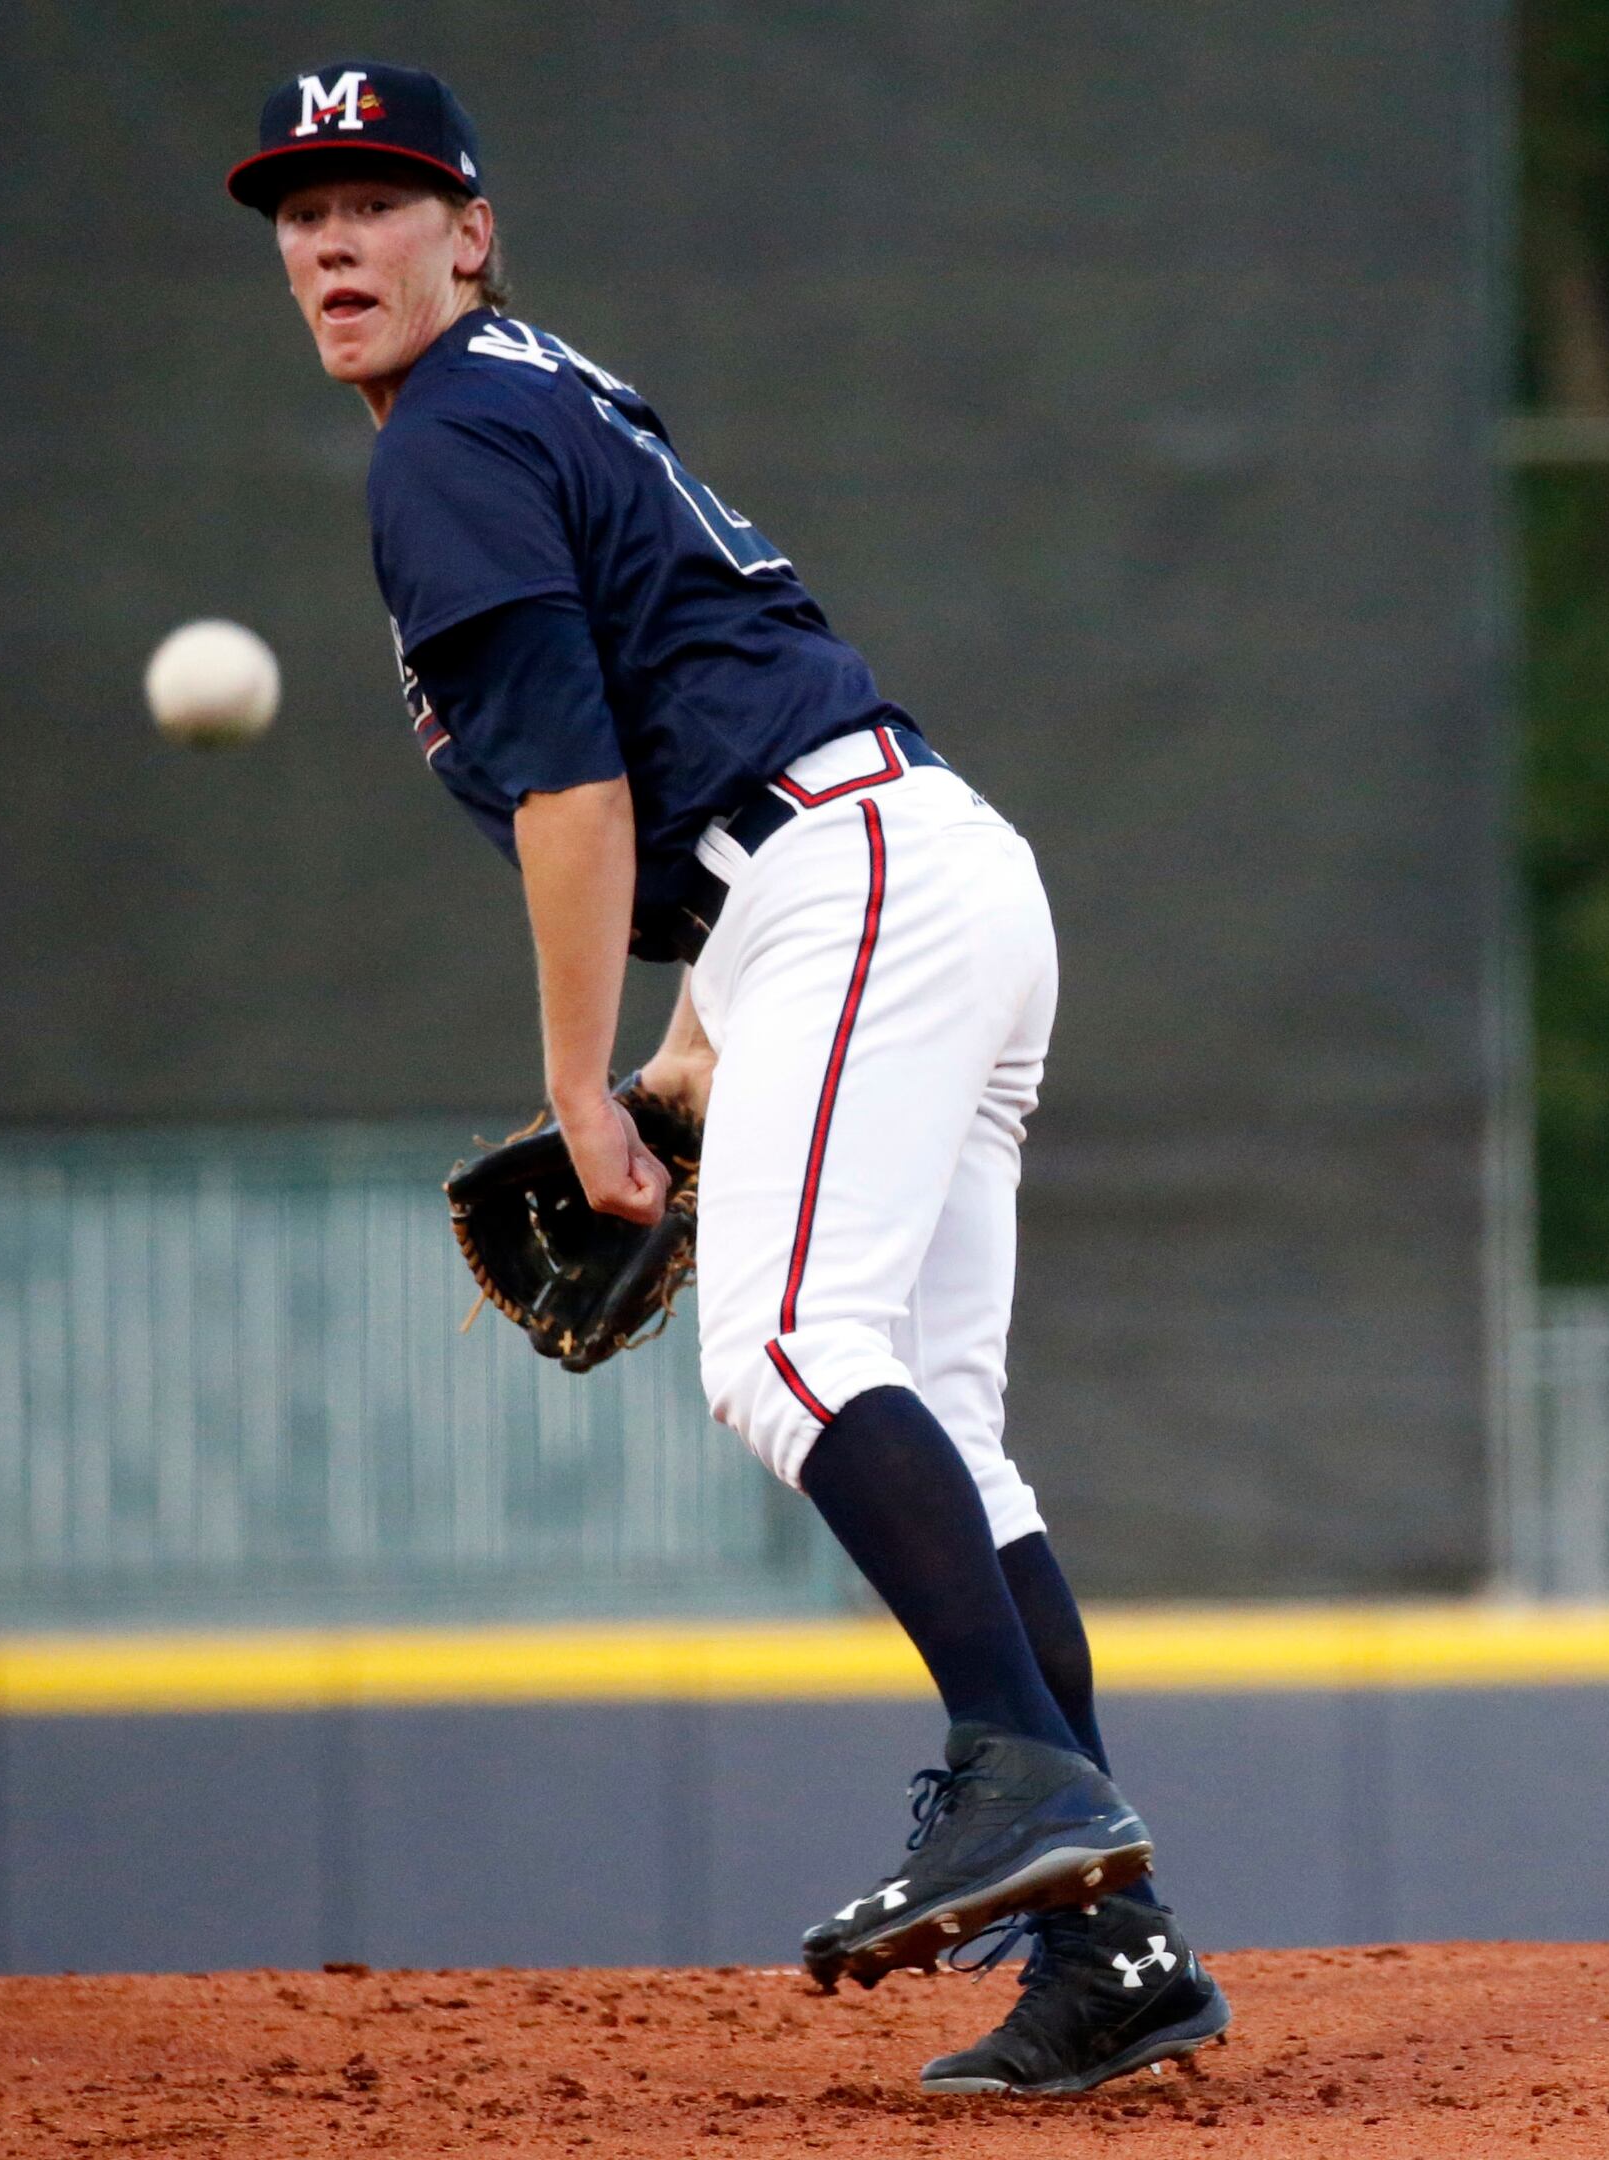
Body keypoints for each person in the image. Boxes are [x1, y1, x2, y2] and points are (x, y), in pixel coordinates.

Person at [228, 60, 1229, 2095]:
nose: (336, 236)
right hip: (891, 861)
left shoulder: (445, 439)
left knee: (780, 1355)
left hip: (849, 880)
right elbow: (720, 699)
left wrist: (586, 1086)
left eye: (383, 195)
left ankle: (1026, 1790)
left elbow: (586, 788)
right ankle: (1112, 1953)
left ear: (469, 230)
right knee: (940, 1413)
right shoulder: (546, 391)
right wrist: (699, 1053)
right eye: (301, 204)